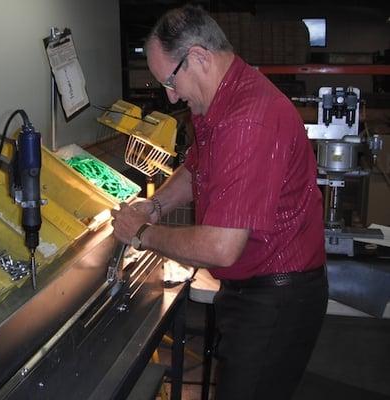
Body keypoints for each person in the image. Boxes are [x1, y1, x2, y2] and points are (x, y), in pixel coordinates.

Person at [111, 5, 328, 400]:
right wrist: (155, 206)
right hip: (254, 288)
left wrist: (142, 233)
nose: (170, 96)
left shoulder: (248, 119)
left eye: (171, 82)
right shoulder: (219, 102)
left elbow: (220, 248)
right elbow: (195, 168)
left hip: (278, 297)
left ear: (198, 57)